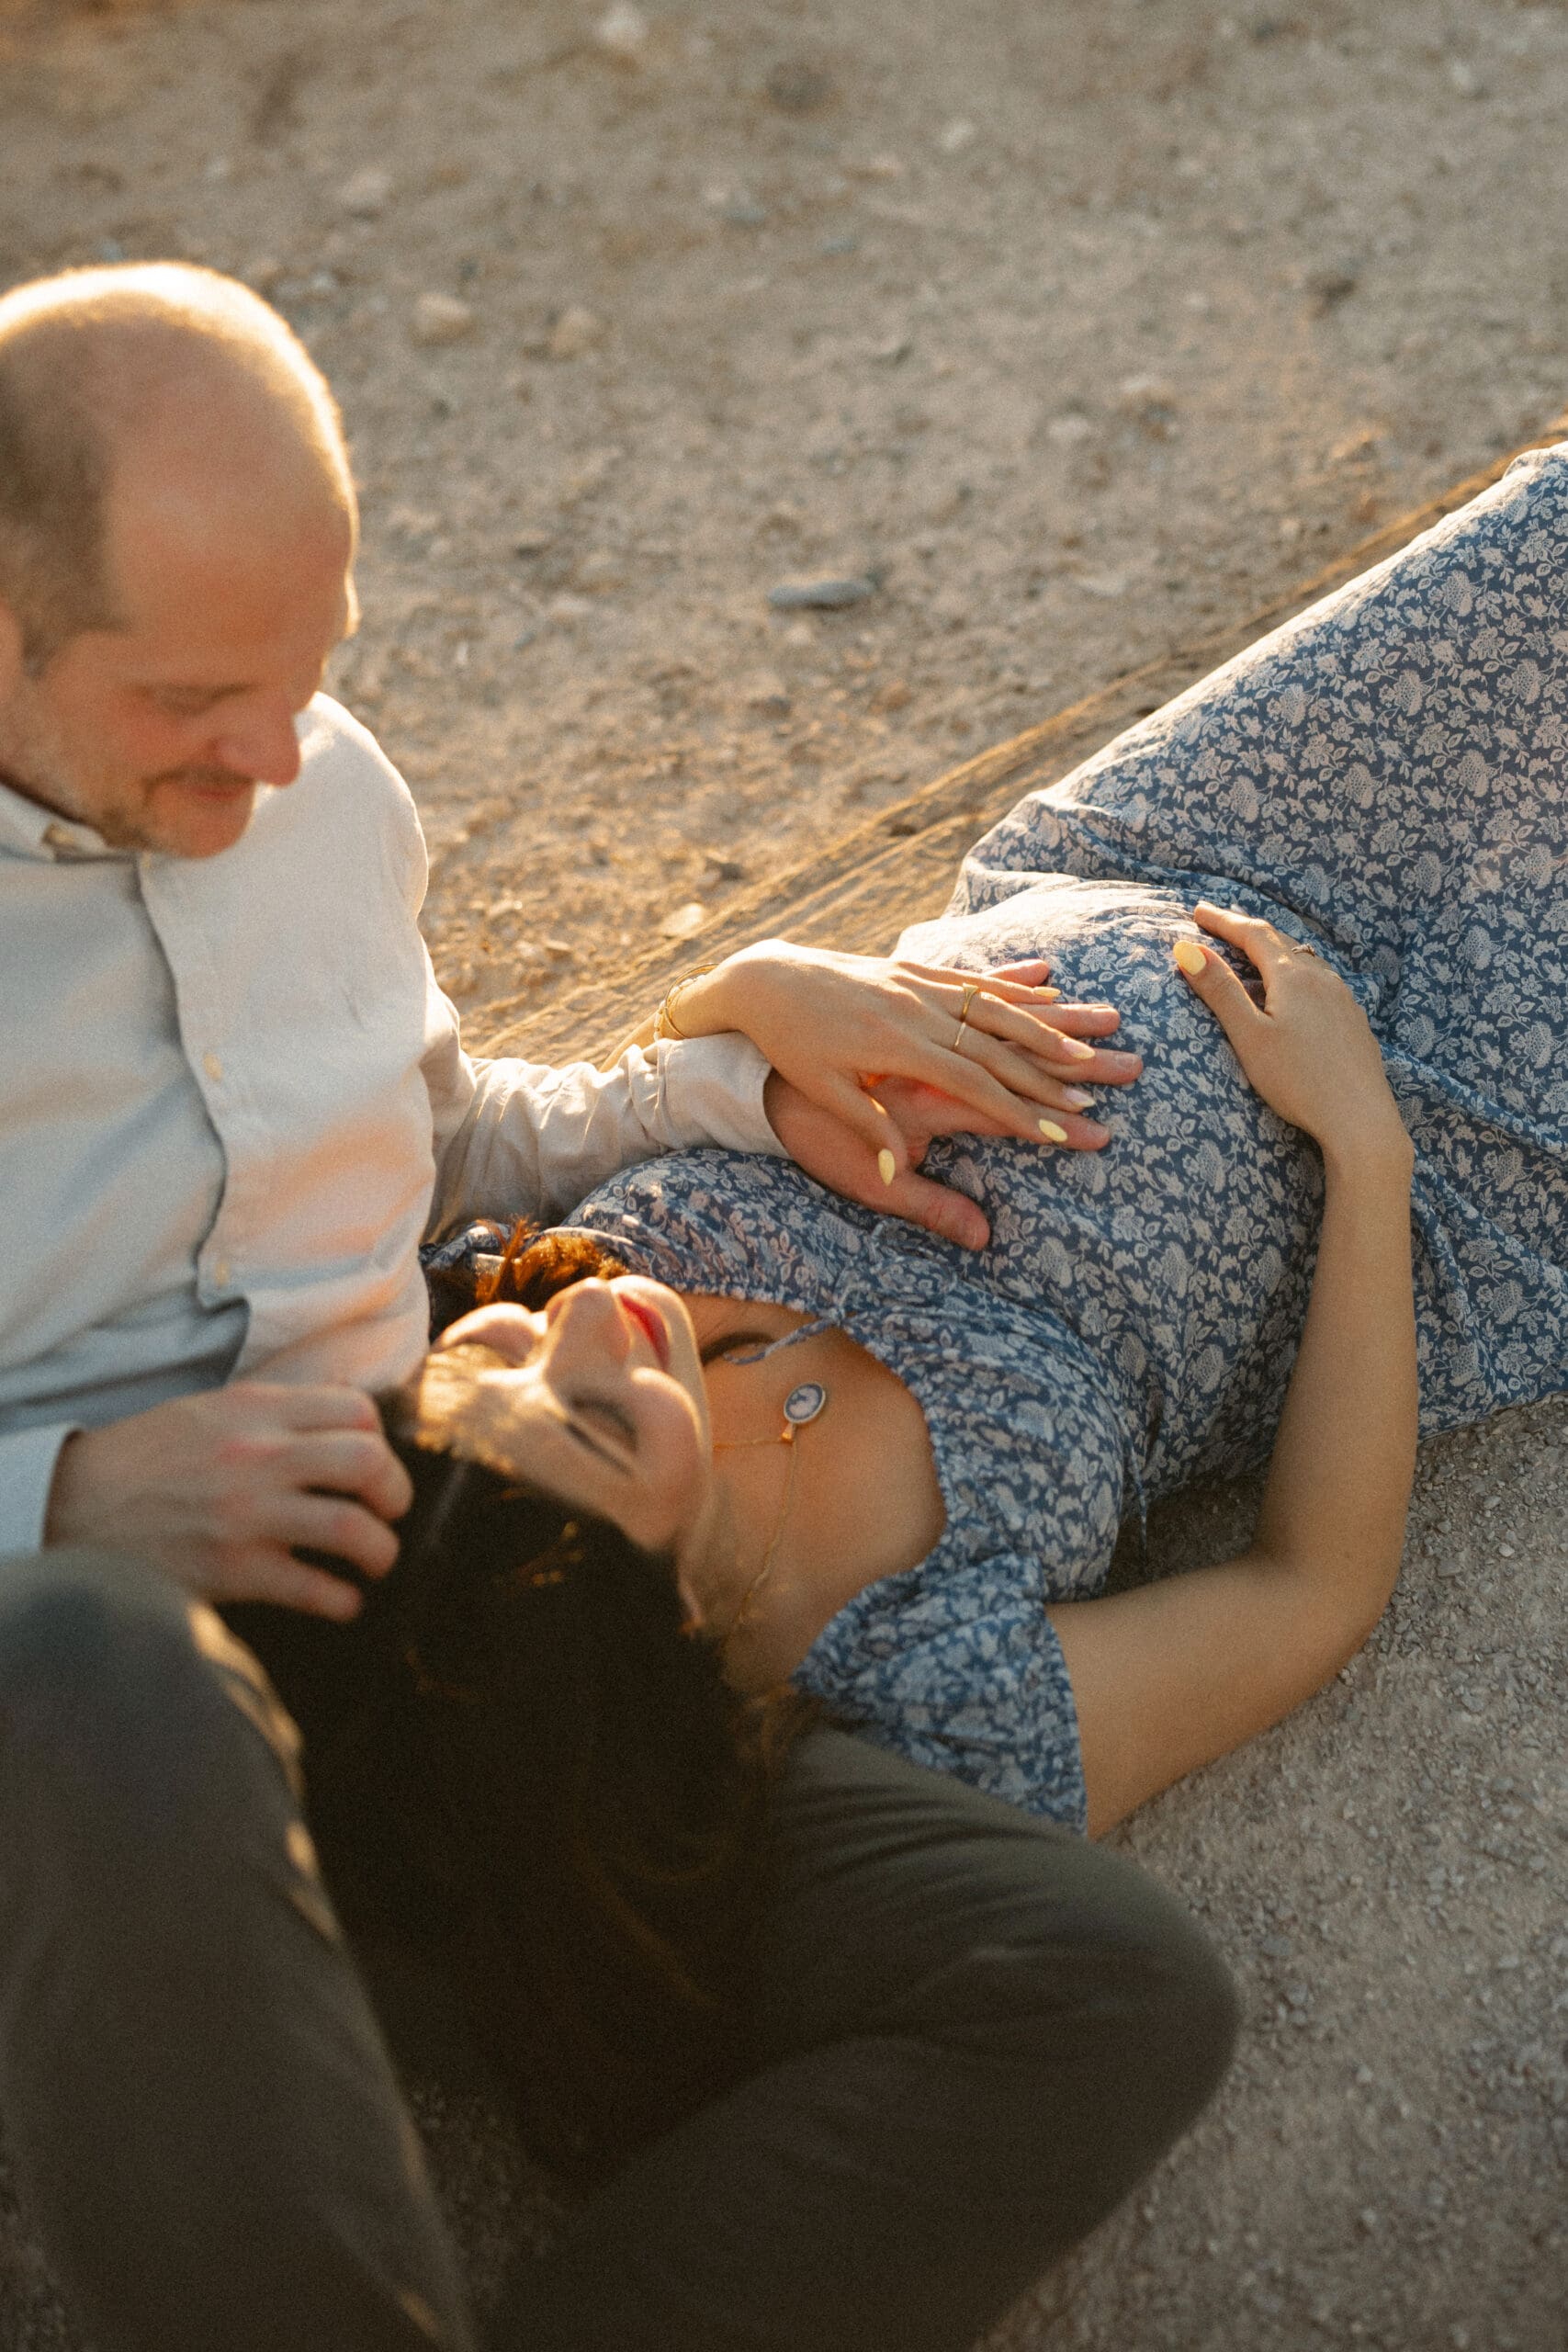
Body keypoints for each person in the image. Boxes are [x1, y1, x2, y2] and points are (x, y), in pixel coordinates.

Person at [0, 261, 1235, 2352]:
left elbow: (429, 1142)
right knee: (97, 1655)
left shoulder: (318, 790)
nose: (276, 755)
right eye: (196, 700)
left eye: (312, 665)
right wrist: (65, 1498)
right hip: (72, 1726)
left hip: (451, 1629)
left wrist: (731, 1062)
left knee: (1100, 1983)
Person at [446, 437, 1568, 1838]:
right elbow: (1306, 1595)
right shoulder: (919, 1691)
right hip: (1446, 1119)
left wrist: (740, 990)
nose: (576, 1322)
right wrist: (1364, 1143)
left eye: (494, 1354)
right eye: (600, 1423)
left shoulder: (486, 1292)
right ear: (655, 1634)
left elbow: (588, 1099)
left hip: (1164, 847)